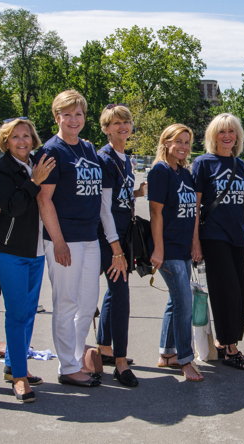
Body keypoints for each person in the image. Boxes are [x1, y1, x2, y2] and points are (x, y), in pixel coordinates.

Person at [37, 90, 125, 387]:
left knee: (87, 304)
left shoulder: (87, 149)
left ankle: (76, 359)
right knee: (66, 303)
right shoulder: (52, 151)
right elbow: (45, 200)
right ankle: (67, 367)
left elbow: (100, 198)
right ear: (57, 117)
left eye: (79, 114)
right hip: (65, 240)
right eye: (67, 114)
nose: (74, 120)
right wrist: (58, 241)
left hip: (90, 238)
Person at [0, 117, 55, 403]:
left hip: (36, 249)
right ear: (5, 140)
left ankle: (14, 365)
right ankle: (19, 377)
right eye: (15, 136)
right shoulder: (1, 170)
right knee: (16, 314)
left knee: (28, 313)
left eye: (27, 135)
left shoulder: (36, 162)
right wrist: (33, 182)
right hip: (10, 251)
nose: (22, 141)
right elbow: (12, 208)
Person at [192, 113, 244, 369]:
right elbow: (195, 206)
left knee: (240, 293)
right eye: (222, 132)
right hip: (214, 236)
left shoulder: (238, 165)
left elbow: (240, 206)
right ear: (213, 136)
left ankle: (227, 341)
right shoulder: (203, 163)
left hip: (237, 237)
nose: (227, 136)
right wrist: (195, 242)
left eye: (232, 131)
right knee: (226, 292)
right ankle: (230, 347)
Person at [149, 123, 204, 382]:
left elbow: (193, 211)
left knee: (176, 300)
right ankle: (185, 359)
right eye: (178, 141)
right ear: (166, 142)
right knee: (185, 302)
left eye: (186, 142)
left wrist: (195, 243)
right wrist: (158, 249)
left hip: (184, 247)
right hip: (168, 249)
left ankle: (166, 353)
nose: (182, 146)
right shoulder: (160, 171)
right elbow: (156, 212)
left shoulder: (184, 173)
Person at [95, 104, 146, 387]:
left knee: (114, 293)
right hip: (108, 237)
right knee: (121, 294)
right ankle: (121, 361)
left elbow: (120, 197)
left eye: (126, 121)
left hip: (124, 234)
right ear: (105, 128)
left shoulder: (125, 159)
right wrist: (115, 249)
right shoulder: (104, 159)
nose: (122, 127)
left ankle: (104, 347)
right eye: (115, 123)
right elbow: (104, 207)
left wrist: (136, 192)